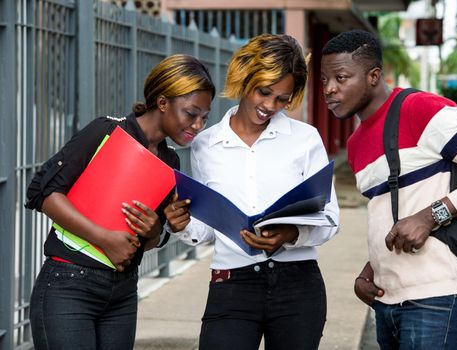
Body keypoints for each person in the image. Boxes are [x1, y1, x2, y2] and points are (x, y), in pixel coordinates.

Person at [320, 29, 457, 349]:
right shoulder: (356, 143)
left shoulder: (419, 109)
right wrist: (372, 268)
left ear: (373, 76)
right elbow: (391, 212)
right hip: (388, 299)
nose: (330, 89)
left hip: (438, 296)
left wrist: (430, 216)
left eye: (341, 77)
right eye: (325, 80)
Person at [25, 54, 215, 350]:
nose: (198, 125)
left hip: (123, 294)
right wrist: (104, 239)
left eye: (205, 117)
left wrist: (155, 230)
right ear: (163, 102)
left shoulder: (170, 160)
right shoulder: (107, 131)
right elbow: (43, 192)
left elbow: (152, 239)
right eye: (191, 113)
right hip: (68, 284)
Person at [165, 34, 340, 350]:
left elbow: (329, 219)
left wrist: (289, 233)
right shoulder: (206, 145)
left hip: (297, 285)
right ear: (245, 78)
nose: (270, 106)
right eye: (264, 92)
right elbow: (207, 228)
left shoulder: (305, 139)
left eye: (282, 99)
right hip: (232, 283)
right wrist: (182, 225)